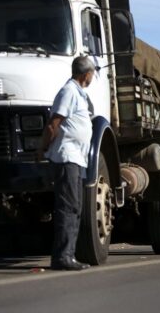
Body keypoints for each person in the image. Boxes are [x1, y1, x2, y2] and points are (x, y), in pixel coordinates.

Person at [37, 56, 95, 271]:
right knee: (68, 207)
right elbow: (54, 125)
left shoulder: (78, 93)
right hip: (66, 157)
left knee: (75, 207)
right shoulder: (69, 91)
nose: (93, 76)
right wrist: (42, 149)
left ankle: (67, 254)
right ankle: (62, 257)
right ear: (85, 74)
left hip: (76, 159)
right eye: (92, 73)